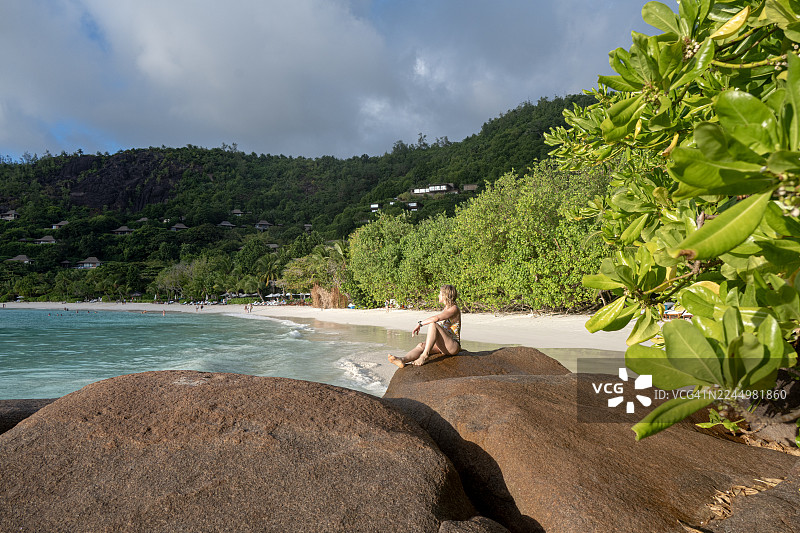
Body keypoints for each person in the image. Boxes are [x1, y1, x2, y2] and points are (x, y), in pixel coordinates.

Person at [388, 284, 461, 368]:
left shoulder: (454, 309)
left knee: (433, 325)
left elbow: (436, 318)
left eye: (440, 294)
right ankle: (402, 360)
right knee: (421, 345)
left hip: (452, 346)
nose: (438, 295)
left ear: (445, 295)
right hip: (443, 345)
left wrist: (420, 324)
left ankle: (424, 356)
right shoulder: (446, 308)